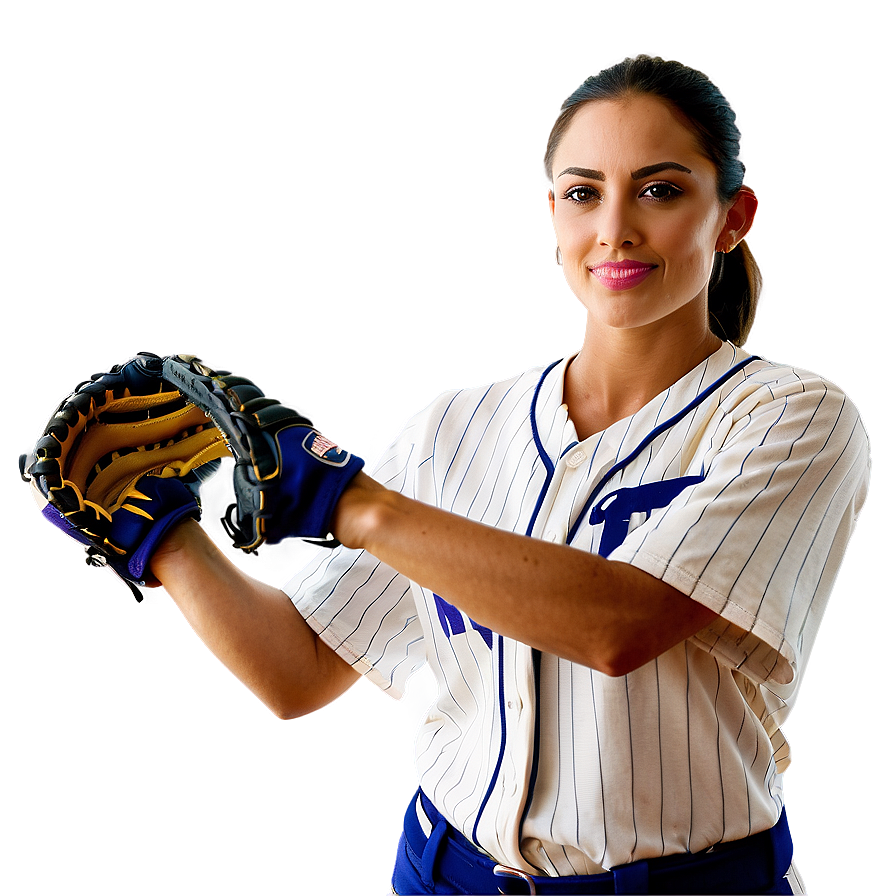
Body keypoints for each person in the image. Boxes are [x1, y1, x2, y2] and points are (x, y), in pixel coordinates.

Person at [149, 57, 870, 894]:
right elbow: (297, 668)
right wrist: (163, 536)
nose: (615, 230)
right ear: (551, 214)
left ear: (734, 218)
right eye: (583, 192)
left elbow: (617, 627)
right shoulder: (454, 428)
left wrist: (356, 506)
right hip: (439, 872)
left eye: (661, 191)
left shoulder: (794, 418)